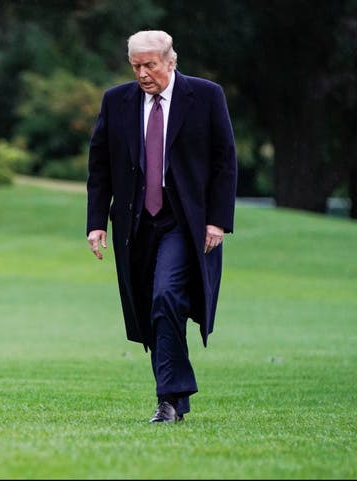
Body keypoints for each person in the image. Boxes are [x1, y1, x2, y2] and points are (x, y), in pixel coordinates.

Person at [86, 30, 237, 423]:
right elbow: (99, 164)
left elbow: (225, 160)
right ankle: (175, 396)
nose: (142, 74)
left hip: (182, 221)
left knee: (165, 296)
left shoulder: (205, 96)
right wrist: (96, 223)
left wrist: (218, 220)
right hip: (135, 223)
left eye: (150, 65)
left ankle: (168, 399)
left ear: (171, 61)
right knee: (149, 306)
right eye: (136, 66)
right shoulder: (116, 100)